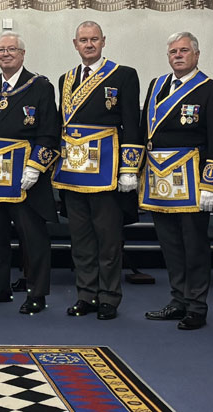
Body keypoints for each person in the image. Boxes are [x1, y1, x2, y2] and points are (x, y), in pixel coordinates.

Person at [138, 32, 213, 330]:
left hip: (191, 181)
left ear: (197, 55)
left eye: (184, 50)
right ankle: (177, 299)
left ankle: (197, 306)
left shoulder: (212, 89)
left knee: (194, 245)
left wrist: (211, 184)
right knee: (170, 244)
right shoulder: (157, 84)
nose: (178, 55)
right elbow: (144, 131)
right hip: (159, 179)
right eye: (173, 51)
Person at [53, 21, 140, 320]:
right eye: (83, 40)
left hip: (108, 171)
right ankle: (86, 294)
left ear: (104, 41)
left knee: (108, 239)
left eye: (94, 39)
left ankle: (109, 297)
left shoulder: (124, 75)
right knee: (81, 239)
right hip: (74, 173)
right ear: (74, 44)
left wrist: (129, 167)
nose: (89, 45)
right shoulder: (65, 79)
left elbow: (132, 123)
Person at [0, 31, 60, 314]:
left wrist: (35, 167)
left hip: (25, 178)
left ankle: (36, 292)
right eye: (0, 50)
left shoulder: (41, 87)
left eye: (11, 49)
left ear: (23, 54)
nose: (6, 54)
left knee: (32, 238)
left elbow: (49, 132)